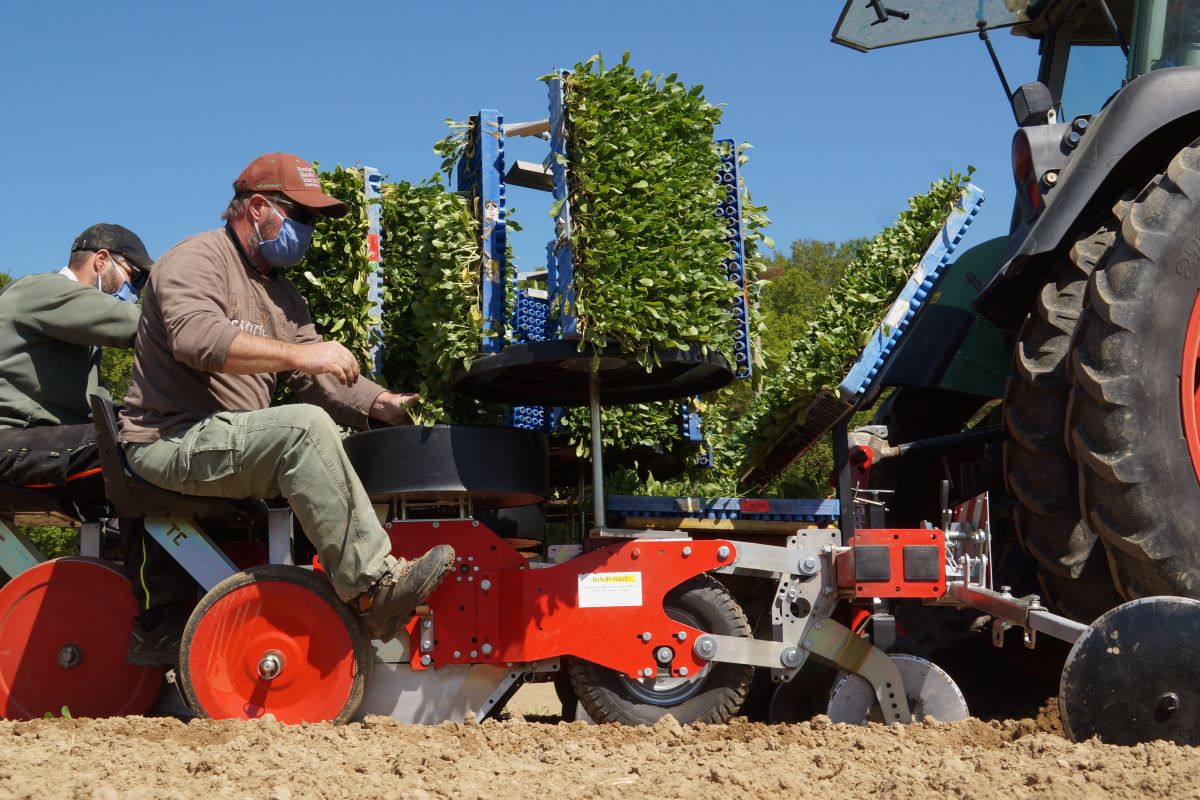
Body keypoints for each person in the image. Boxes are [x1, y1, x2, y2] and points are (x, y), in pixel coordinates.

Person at [118, 153, 454, 654]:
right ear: (257, 207)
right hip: (170, 440)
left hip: (229, 439)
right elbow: (198, 341)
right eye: (302, 216)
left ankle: (347, 586)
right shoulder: (196, 259)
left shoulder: (283, 295)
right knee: (302, 429)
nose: (309, 230)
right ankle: (374, 587)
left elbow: (318, 382)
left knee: (335, 435)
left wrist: (387, 403)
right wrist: (305, 352)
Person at [0, 223, 150, 506]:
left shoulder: (79, 334)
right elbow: (137, 323)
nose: (136, 292)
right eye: (136, 278)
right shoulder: (42, 290)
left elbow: (98, 407)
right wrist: (201, 325)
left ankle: (124, 546)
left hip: (40, 440)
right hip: (9, 439)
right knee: (139, 439)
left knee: (137, 430)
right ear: (102, 260)